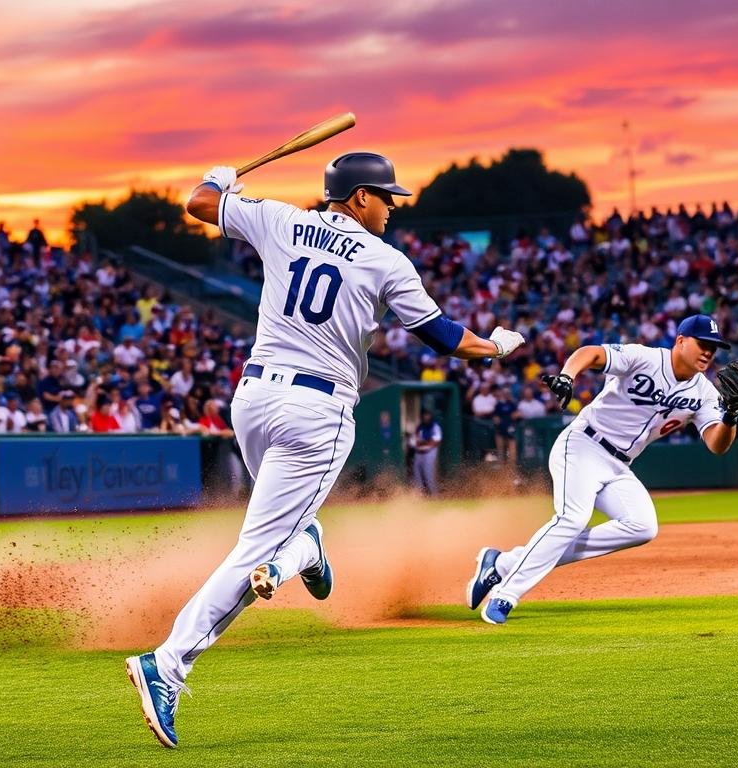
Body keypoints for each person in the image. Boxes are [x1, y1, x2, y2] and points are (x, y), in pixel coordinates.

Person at [124, 152, 525, 748]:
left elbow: (198, 204)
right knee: (256, 547)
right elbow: (444, 337)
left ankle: (305, 549)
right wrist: (494, 348)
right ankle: (169, 662)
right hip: (316, 412)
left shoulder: (281, 220)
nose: (393, 207)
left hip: (253, 400)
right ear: (359, 197)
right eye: (387, 197)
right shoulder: (387, 261)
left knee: (284, 530)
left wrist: (221, 179)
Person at [466, 314, 738, 625]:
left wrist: (731, 416)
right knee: (572, 518)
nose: (709, 352)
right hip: (583, 445)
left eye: (714, 347)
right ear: (680, 341)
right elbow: (591, 353)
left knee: (642, 525)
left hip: (618, 464)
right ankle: (506, 593)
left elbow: (716, 444)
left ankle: (504, 564)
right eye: (703, 344)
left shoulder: (706, 395)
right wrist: (567, 376)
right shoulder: (645, 357)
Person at [409, 409, 442, 496]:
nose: (426, 417)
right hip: (419, 453)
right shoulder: (419, 427)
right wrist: (424, 442)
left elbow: (436, 441)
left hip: (430, 452)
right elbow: (413, 442)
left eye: (428, 415)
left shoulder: (435, 426)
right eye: (424, 415)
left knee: (428, 474)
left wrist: (423, 442)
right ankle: (419, 496)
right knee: (416, 475)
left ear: (431, 416)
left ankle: (435, 496)